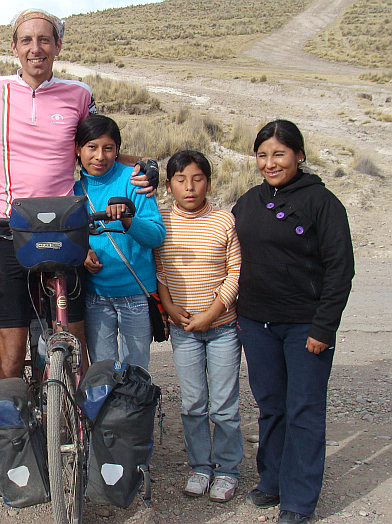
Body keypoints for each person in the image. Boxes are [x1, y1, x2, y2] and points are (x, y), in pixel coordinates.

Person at [0, 8, 154, 385]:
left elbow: (92, 147)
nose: (36, 48)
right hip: (11, 229)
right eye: (26, 40)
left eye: (44, 39)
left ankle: (80, 428)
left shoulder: (79, 94)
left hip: (65, 229)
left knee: (73, 342)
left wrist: (141, 166)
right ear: (13, 47)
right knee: (11, 353)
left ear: (58, 46)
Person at [232, 120, 354, 523]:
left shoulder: (322, 202)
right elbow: (228, 258)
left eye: (279, 154)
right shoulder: (247, 202)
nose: (270, 163)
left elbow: (340, 269)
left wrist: (324, 328)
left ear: (299, 156)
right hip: (256, 324)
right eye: (263, 155)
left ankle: (299, 501)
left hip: (305, 327)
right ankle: (272, 482)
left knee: (303, 409)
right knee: (271, 406)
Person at [153, 150, 243, 503]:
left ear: (209, 181)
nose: (189, 187)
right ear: (169, 185)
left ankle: (227, 470)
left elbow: (235, 271)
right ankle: (200, 467)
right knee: (193, 404)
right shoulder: (161, 223)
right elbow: (160, 271)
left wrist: (213, 311)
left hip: (221, 326)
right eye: (180, 180)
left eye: (198, 179)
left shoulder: (224, 221)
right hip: (182, 329)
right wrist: (171, 308)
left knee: (224, 405)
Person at [73, 115, 165, 369]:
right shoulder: (72, 189)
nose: (100, 156)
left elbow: (156, 235)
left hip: (134, 294)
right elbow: (68, 235)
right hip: (95, 296)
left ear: (117, 150)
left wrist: (128, 219)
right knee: (103, 373)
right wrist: (83, 251)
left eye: (108, 148)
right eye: (92, 147)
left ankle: (135, 411)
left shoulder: (133, 180)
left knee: (136, 373)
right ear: (77, 149)